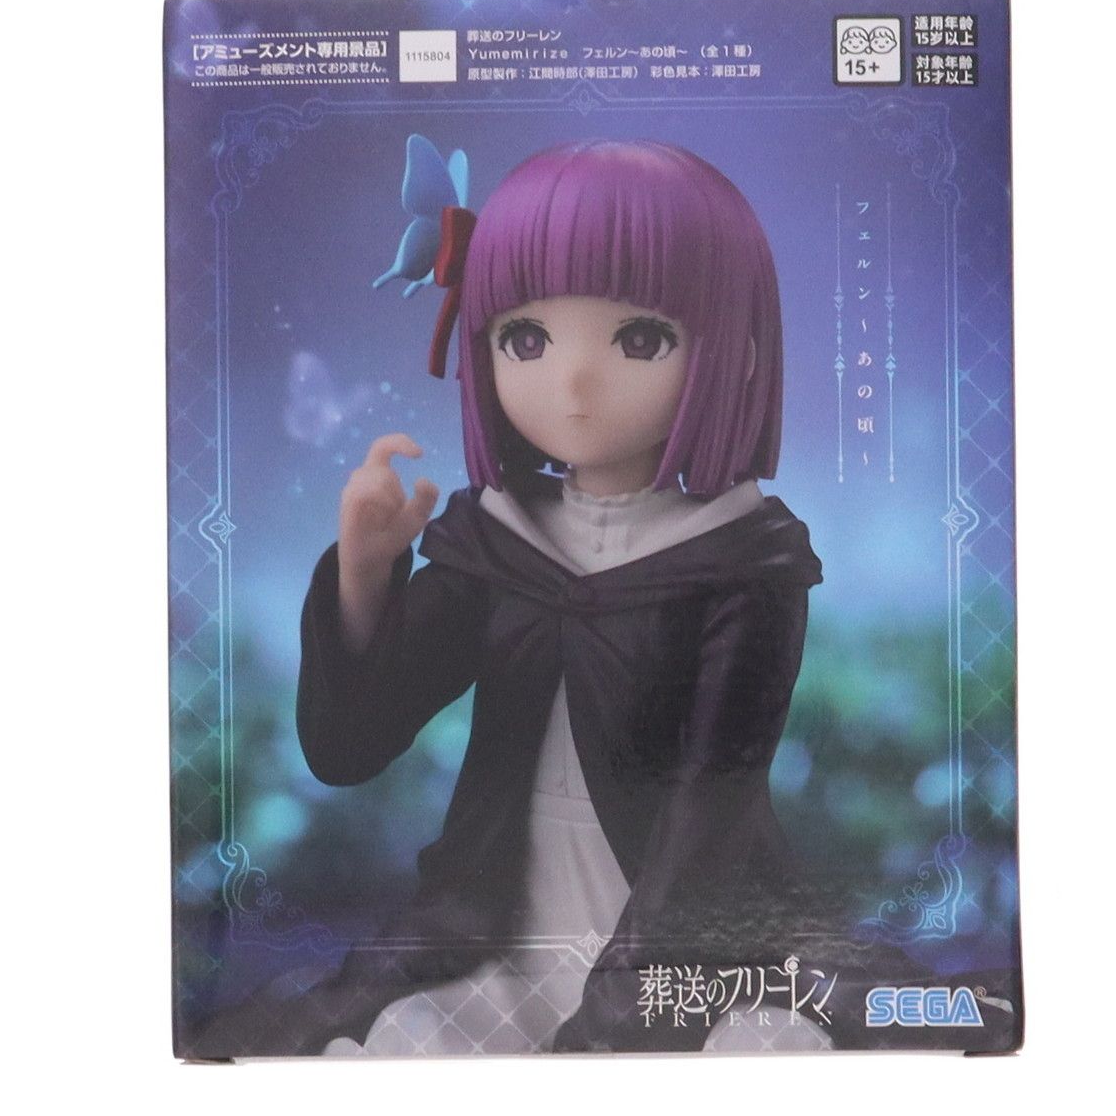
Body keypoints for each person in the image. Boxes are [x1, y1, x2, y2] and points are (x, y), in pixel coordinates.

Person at [231, 138, 852, 1055]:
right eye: (527, 339)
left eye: (641, 339)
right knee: (392, 1042)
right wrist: (364, 574)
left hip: (685, 946)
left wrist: (620, 1014)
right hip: (493, 932)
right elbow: (349, 744)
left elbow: (708, 811)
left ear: (739, 351)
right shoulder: (503, 544)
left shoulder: (742, 565)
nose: (573, 383)